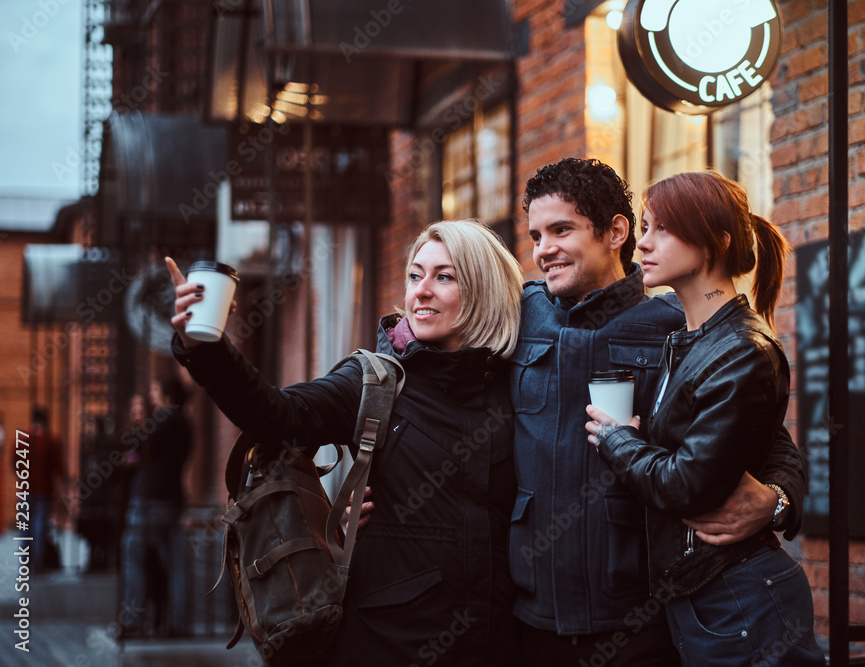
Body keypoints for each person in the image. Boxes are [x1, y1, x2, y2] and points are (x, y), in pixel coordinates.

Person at [166, 219, 525, 666]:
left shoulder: (517, 388)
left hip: (496, 646)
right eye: (415, 275)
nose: (421, 291)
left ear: (483, 290)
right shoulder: (374, 380)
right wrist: (205, 347)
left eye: (444, 276)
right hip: (385, 643)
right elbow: (277, 415)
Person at [510, 158, 808, 665]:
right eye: (536, 235)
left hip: (644, 616)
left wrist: (778, 500)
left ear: (614, 232)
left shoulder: (678, 326)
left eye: (561, 230)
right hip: (532, 615)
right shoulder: (517, 316)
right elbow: (433, 343)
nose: (544, 249)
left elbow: (769, 440)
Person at [585, 171, 825, 665]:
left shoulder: (741, 350)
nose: (643, 243)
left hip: (740, 597)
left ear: (716, 241)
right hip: (701, 594)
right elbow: (771, 442)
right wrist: (781, 498)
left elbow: (684, 485)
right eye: (644, 227)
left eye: (661, 230)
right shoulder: (689, 337)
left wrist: (616, 439)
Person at [120, 377, 192, 637]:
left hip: (150, 502)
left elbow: (138, 444)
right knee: (176, 565)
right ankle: (179, 622)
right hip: (174, 501)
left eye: (154, 390)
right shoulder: (186, 423)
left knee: (133, 557)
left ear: (167, 394)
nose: (152, 396)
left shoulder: (164, 420)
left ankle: (134, 620)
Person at [16, 406, 64, 571]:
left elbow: (14, 461)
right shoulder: (50, 441)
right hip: (43, 491)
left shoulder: (23, 438)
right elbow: (59, 467)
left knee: (25, 527)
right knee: (38, 526)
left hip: (25, 489)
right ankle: (37, 562)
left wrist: (22, 475)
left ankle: (25, 561)